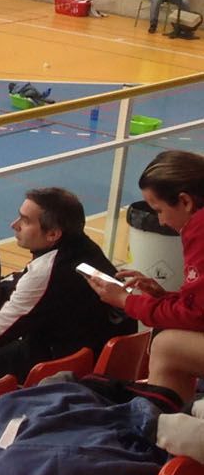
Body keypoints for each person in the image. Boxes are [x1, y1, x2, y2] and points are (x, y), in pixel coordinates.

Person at [0, 187, 134, 382]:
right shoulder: (84, 248)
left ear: (53, 234)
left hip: (57, 371)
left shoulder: (46, 272)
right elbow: (21, 283)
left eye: (25, 220)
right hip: (94, 357)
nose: (14, 225)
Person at [83, 151, 204, 397]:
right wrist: (161, 298)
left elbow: (196, 316)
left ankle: (159, 423)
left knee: (166, 345)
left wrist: (125, 300)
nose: (160, 221)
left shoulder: (199, 230)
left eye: (158, 210)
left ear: (185, 201)